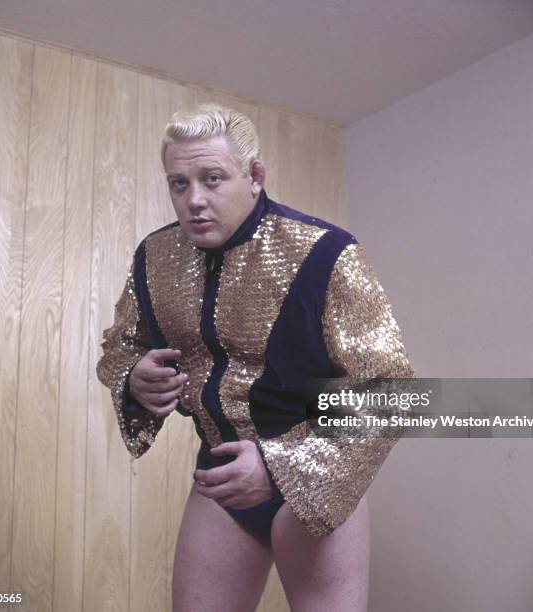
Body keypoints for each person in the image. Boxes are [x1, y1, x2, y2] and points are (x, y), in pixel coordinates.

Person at [96, 103, 414, 612]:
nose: (194, 199)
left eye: (213, 178)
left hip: (314, 478)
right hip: (219, 478)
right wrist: (133, 378)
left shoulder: (327, 252)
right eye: (179, 183)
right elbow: (119, 348)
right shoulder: (155, 257)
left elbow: (393, 390)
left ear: (255, 176)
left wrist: (282, 465)